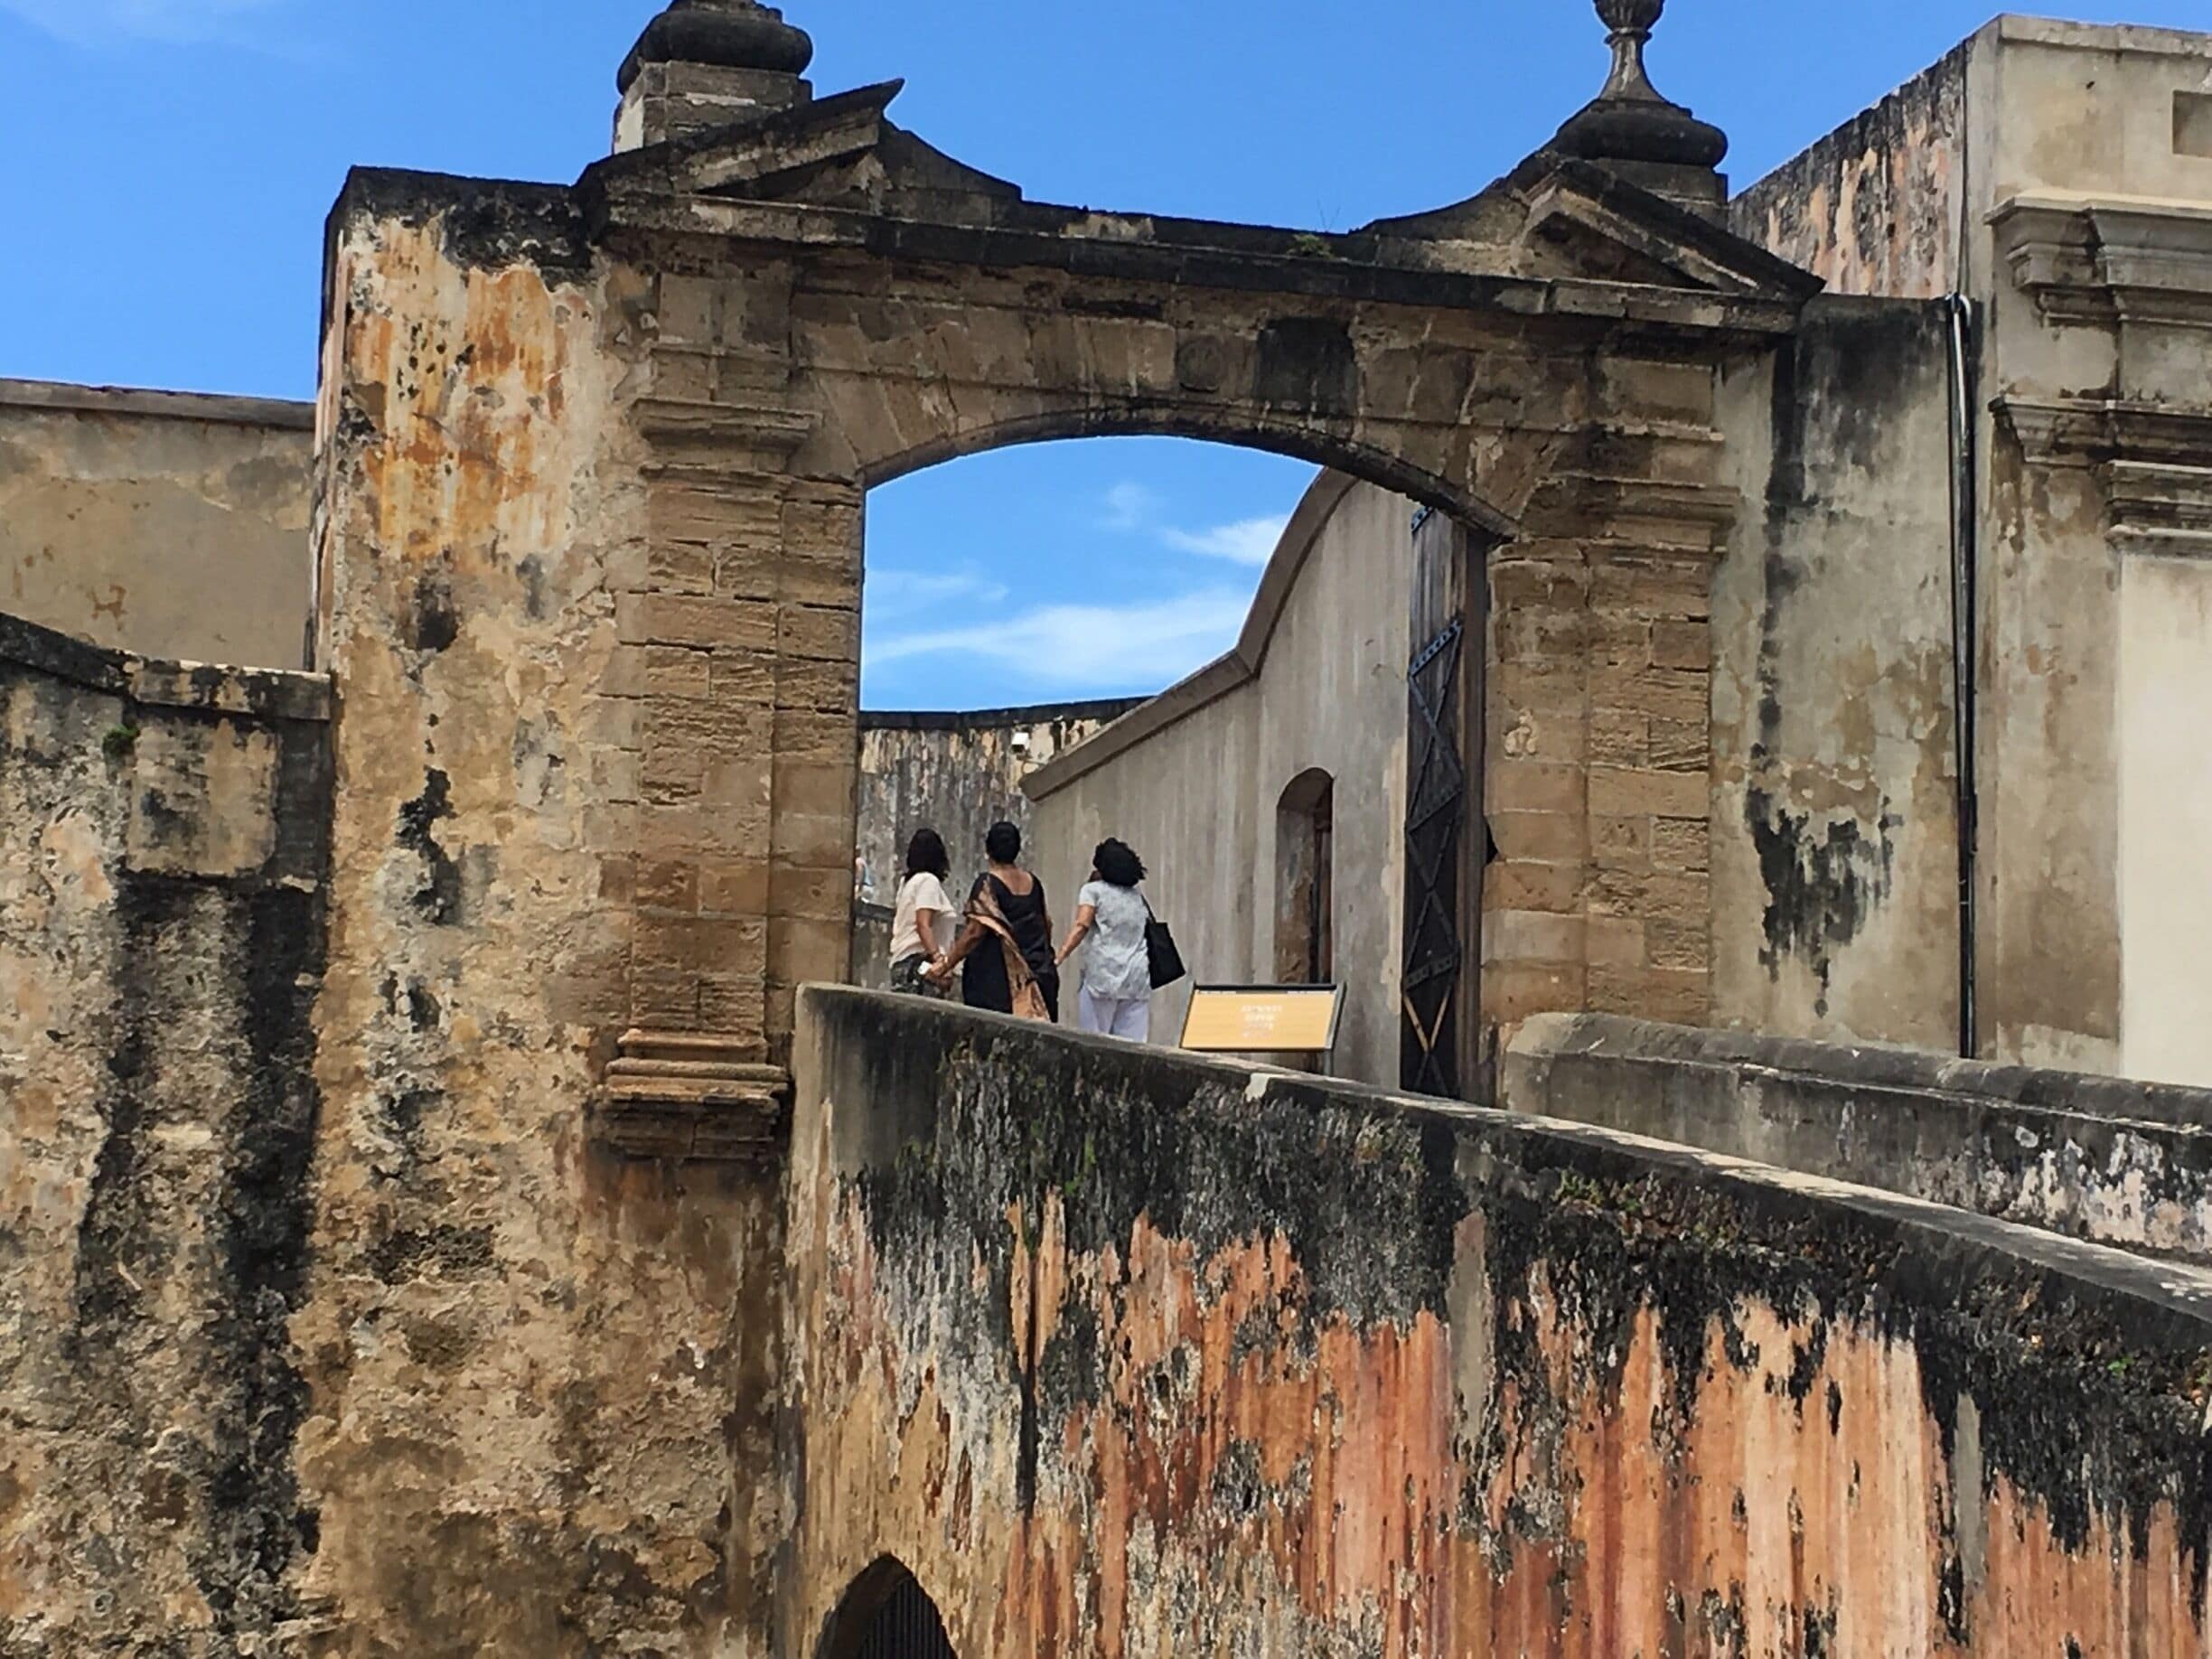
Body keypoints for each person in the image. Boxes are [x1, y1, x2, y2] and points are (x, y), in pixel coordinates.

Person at [928, 821, 1058, 1021]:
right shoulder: (1034, 883)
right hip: (1037, 978)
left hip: (998, 984)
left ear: (988, 850)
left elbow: (974, 932)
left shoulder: (987, 883)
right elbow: (1046, 925)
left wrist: (946, 965)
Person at [1056, 838, 1155, 1042]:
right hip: (1136, 979)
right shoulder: (1136, 896)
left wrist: (1060, 956)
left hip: (1103, 978)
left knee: (1095, 1042)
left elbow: (1082, 925)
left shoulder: (1093, 891)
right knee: (1134, 1046)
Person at [887, 829, 956, 996]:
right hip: (918, 964)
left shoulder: (908, 883)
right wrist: (940, 961)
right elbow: (923, 924)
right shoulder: (928, 882)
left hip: (903, 963)